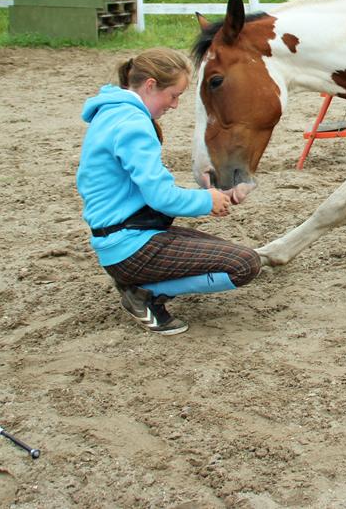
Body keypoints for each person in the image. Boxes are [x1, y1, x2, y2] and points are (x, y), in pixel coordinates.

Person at [77, 48, 260, 335]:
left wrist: (207, 195)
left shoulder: (111, 113)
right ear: (150, 85)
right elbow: (161, 198)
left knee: (229, 256)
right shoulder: (133, 124)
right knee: (243, 265)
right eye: (174, 95)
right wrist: (207, 200)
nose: (174, 105)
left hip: (120, 237)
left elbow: (149, 190)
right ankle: (144, 293)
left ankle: (137, 283)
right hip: (131, 245)